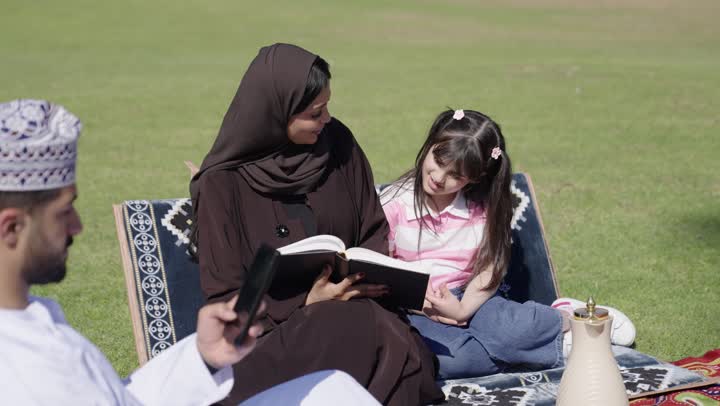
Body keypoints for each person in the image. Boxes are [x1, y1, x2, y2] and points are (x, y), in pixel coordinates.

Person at [0, 99, 382, 406]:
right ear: (11, 227)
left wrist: (200, 356)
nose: (78, 227)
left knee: (334, 389)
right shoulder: (21, 366)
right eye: (64, 211)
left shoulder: (32, 318)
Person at [190, 43, 444, 405]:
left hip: (359, 309)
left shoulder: (338, 144)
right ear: (276, 112)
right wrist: (306, 301)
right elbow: (224, 293)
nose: (326, 119)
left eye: (327, 107)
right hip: (271, 335)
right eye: (314, 113)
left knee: (380, 337)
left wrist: (359, 279)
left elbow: (372, 227)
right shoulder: (222, 183)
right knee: (374, 339)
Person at [380, 109, 637, 379]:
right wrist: (425, 305)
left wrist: (463, 309)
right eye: (438, 160)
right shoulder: (395, 202)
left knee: (513, 329)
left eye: (456, 175)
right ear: (430, 143)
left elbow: (489, 268)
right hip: (418, 307)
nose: (439, 177)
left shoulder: (482, 207)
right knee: (454, 361)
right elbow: (386, 269)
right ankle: (544, 349)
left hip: (474, 296)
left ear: (474, 178)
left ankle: (568, 320)